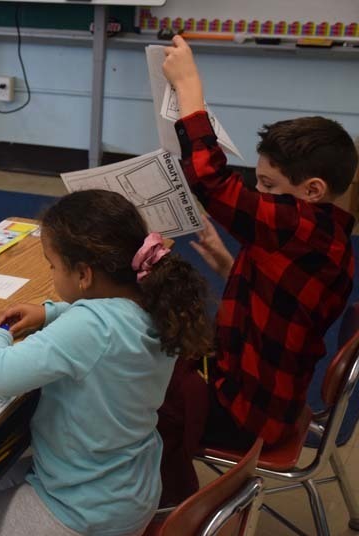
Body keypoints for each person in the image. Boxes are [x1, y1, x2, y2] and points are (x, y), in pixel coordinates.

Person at [158, 36, 357, 503]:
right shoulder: (323, 232)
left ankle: (167, 502)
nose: (259, 194)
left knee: (142, 396)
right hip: (268, 394)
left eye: (268, 185)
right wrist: (232, 267)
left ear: (312, 190)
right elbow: (288, 304)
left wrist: (189, 87)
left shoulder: (301, 228)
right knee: (160, 356)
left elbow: (210, 180)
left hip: (247, 415)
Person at [0, 190, 212, 536]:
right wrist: (51, 313)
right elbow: (106, 324)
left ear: (83, 275)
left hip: (82, 510)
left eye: (52, 265)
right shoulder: (154, 300)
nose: (51, 272)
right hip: (129, 489)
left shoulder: (91, 325)